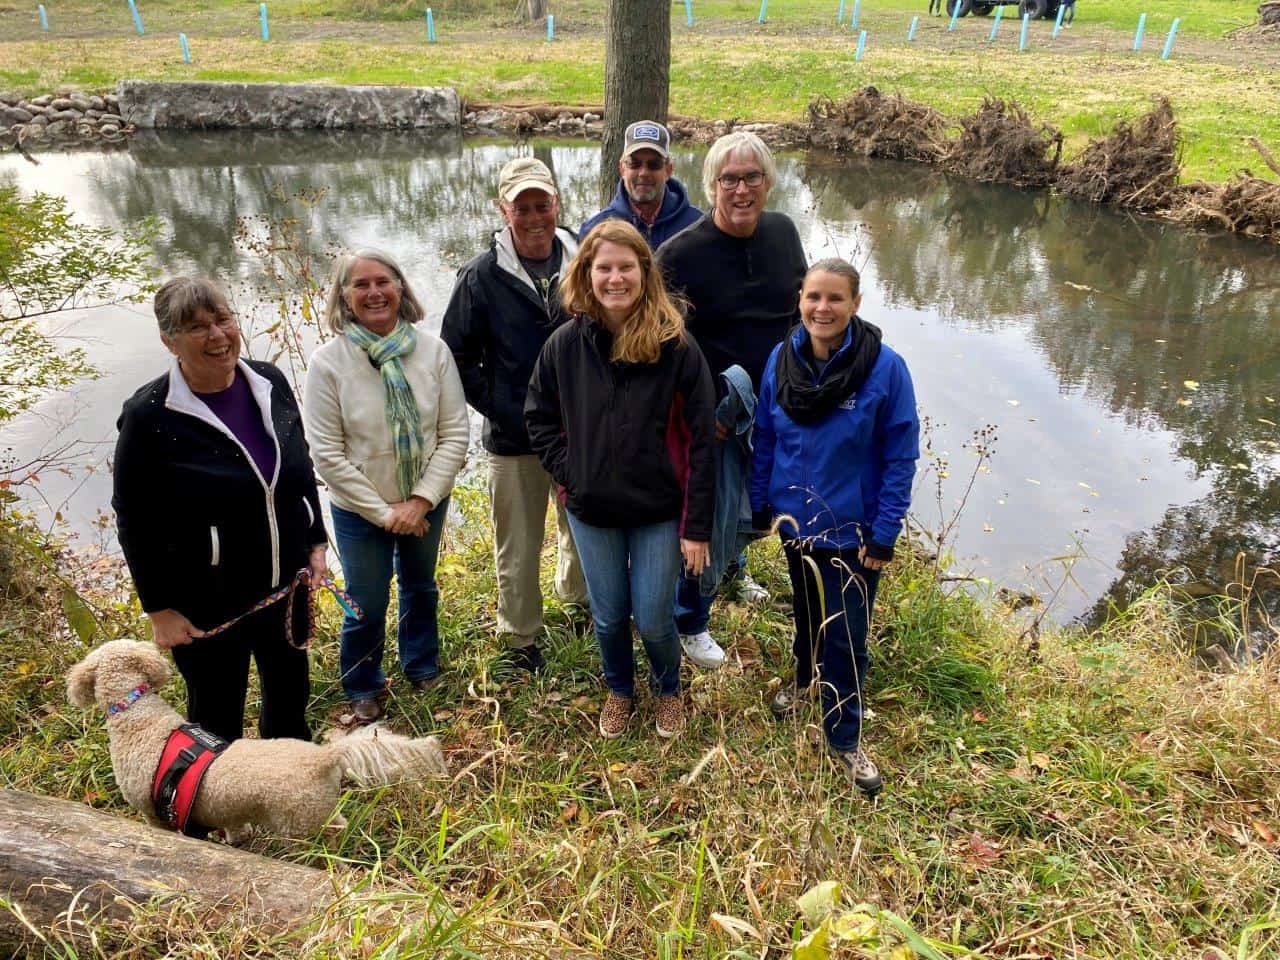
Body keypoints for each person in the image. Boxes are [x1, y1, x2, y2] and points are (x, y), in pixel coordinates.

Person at [112, 277, 328, 744]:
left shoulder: (268, 380)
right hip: (205, 600)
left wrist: (316, 542)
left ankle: (288, 799)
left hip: (286, 584)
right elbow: (133, 518)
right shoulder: (150, 415)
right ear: (169, 340)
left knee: (291, 700)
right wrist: (158, 610)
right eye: (196, 327)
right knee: (216, 714)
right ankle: (210, 810)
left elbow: (299, 466)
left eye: (222, 320)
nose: (217, 336)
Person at [525, 220, 715, 740]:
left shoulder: (674, 344)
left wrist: (696, 528)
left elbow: (702, 438)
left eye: (625, 267)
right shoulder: (564, 345)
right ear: (586, 273)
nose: (615, 278)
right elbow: (538, 418)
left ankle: (669, 688)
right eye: (603, 267)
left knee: (653, 619)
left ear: (644, 272)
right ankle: (620, 689)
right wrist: (572, 476)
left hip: (657, 510)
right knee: (608, 618)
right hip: (592, 511)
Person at [750, 259, 919, 795]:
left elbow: (900, 455)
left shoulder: (886, 369)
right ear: (800, 299)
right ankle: (805, 682)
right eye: (813, 297)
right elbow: (765, 438)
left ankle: (844, 736)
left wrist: (885, 532)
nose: (823, 309)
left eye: (835, 299)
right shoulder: (781, 359)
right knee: (805, 613)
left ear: (856, 304)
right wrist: (760, 504)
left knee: (846, 636)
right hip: (794, 525)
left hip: (853, 534)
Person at [657, 130, 808, 670]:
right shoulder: (678, 254)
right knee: (713, 514)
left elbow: (800, 313)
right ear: (711, 185)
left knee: (760, 505)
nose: (741, 189)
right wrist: (702, 410)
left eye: (751, 178)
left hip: (775, 401)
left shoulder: (784, 233)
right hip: (716, 412)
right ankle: (690, 619)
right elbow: (661, 342)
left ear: (767, 183)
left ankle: (735, 574)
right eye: (729, 179)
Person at [304, 250, 469, 723]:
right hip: (360, 509)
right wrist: (385, 512)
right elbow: (327, 454)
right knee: (366, 598)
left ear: (400, 288)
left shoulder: (432, 352)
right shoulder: (328, 363)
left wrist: (419, 501)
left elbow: (455, 431)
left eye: (383, 281)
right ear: (344, 297)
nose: (374, 292)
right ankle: (362, 682)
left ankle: (421, 665)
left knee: (420, 586)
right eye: (360, 285)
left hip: (426, 500)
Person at [441, 156, 589, 674]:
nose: (533, 216)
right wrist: (507, 408)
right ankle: (521, 637)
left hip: (580, 430)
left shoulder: (585, 260)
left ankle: (578, 604)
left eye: (541, 204)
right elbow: (453, 355)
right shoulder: (480, 277)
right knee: (519, 545)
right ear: (504, 209)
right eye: (521, 206)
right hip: (515, 437)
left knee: (581, 527)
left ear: (556, 205)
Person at [579, 120, 703, 250]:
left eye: (654, 164)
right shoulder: (593, 231)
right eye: (634, 164)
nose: (643, 173)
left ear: (668, 170)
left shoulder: (697, 227)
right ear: (622, 169)